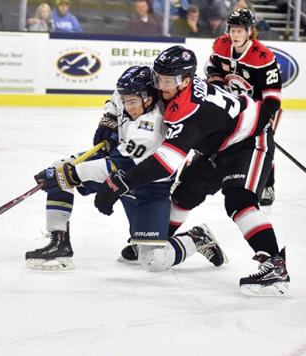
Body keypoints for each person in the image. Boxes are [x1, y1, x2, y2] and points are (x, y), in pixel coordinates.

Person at [93, 46, 289, 296]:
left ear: (185, 81)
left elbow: (166, 161)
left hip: (248, 140)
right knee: (184, 195)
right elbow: (125, 88)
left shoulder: (186, 108)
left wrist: (121, 183)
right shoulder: (169, 84)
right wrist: (109, 116)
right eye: (158, 77)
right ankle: (168, 239)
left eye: (167, 80)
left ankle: (274, 263)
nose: (160, 85)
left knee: (239, 201)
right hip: (216, 146)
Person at [25, 66, 226, 272]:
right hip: (118, 165)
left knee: (153, 260)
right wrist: (110, 117)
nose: (127, 107)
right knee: (59, 169)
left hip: (147, 187)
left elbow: (117, 167)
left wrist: (70, 174)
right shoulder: (132, 93)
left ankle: (197, 238)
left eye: (131, 102)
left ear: (148, 99)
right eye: (125, 101)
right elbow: (115, 98)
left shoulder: (152, 127)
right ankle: (59, 244)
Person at [206, 8, 281, 206]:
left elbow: (273, 96)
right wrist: (217, 84)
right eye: (232, 30)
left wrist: (262, 120)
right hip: (235, 105)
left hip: (262, 107)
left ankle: (268, 185)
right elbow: (212, 67)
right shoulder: (221, 45)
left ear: (250, 31)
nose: (235, 34)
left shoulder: (262, 56)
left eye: (240, 30)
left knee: (263, 144)